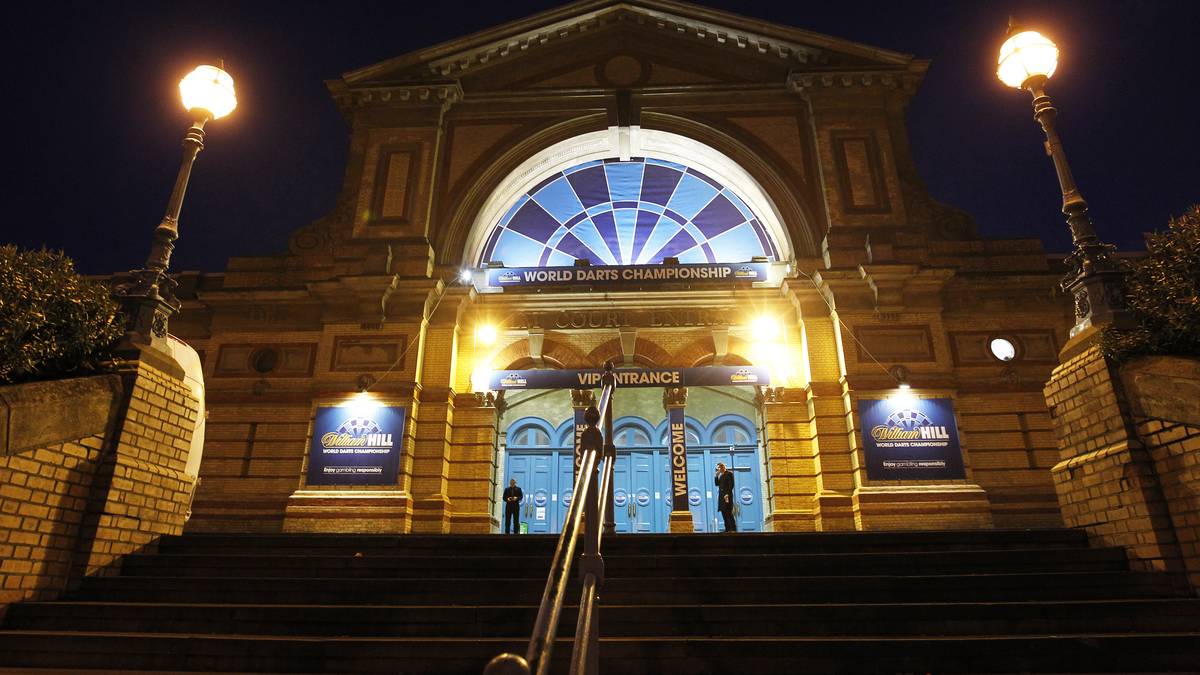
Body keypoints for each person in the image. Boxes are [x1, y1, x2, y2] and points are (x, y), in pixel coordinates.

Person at [714, 462, 736, 533]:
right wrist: (716, 476)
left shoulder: (729, 474)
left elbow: (731, 485)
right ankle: (727, 529)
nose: (717, 470)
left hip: (727, 496)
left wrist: (727, 494)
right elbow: (717, 484)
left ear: (722, 467)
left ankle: (733, 529)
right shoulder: (721, 476)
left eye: (718, 468)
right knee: (724, 513)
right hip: (721, 497)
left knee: (728, 512)